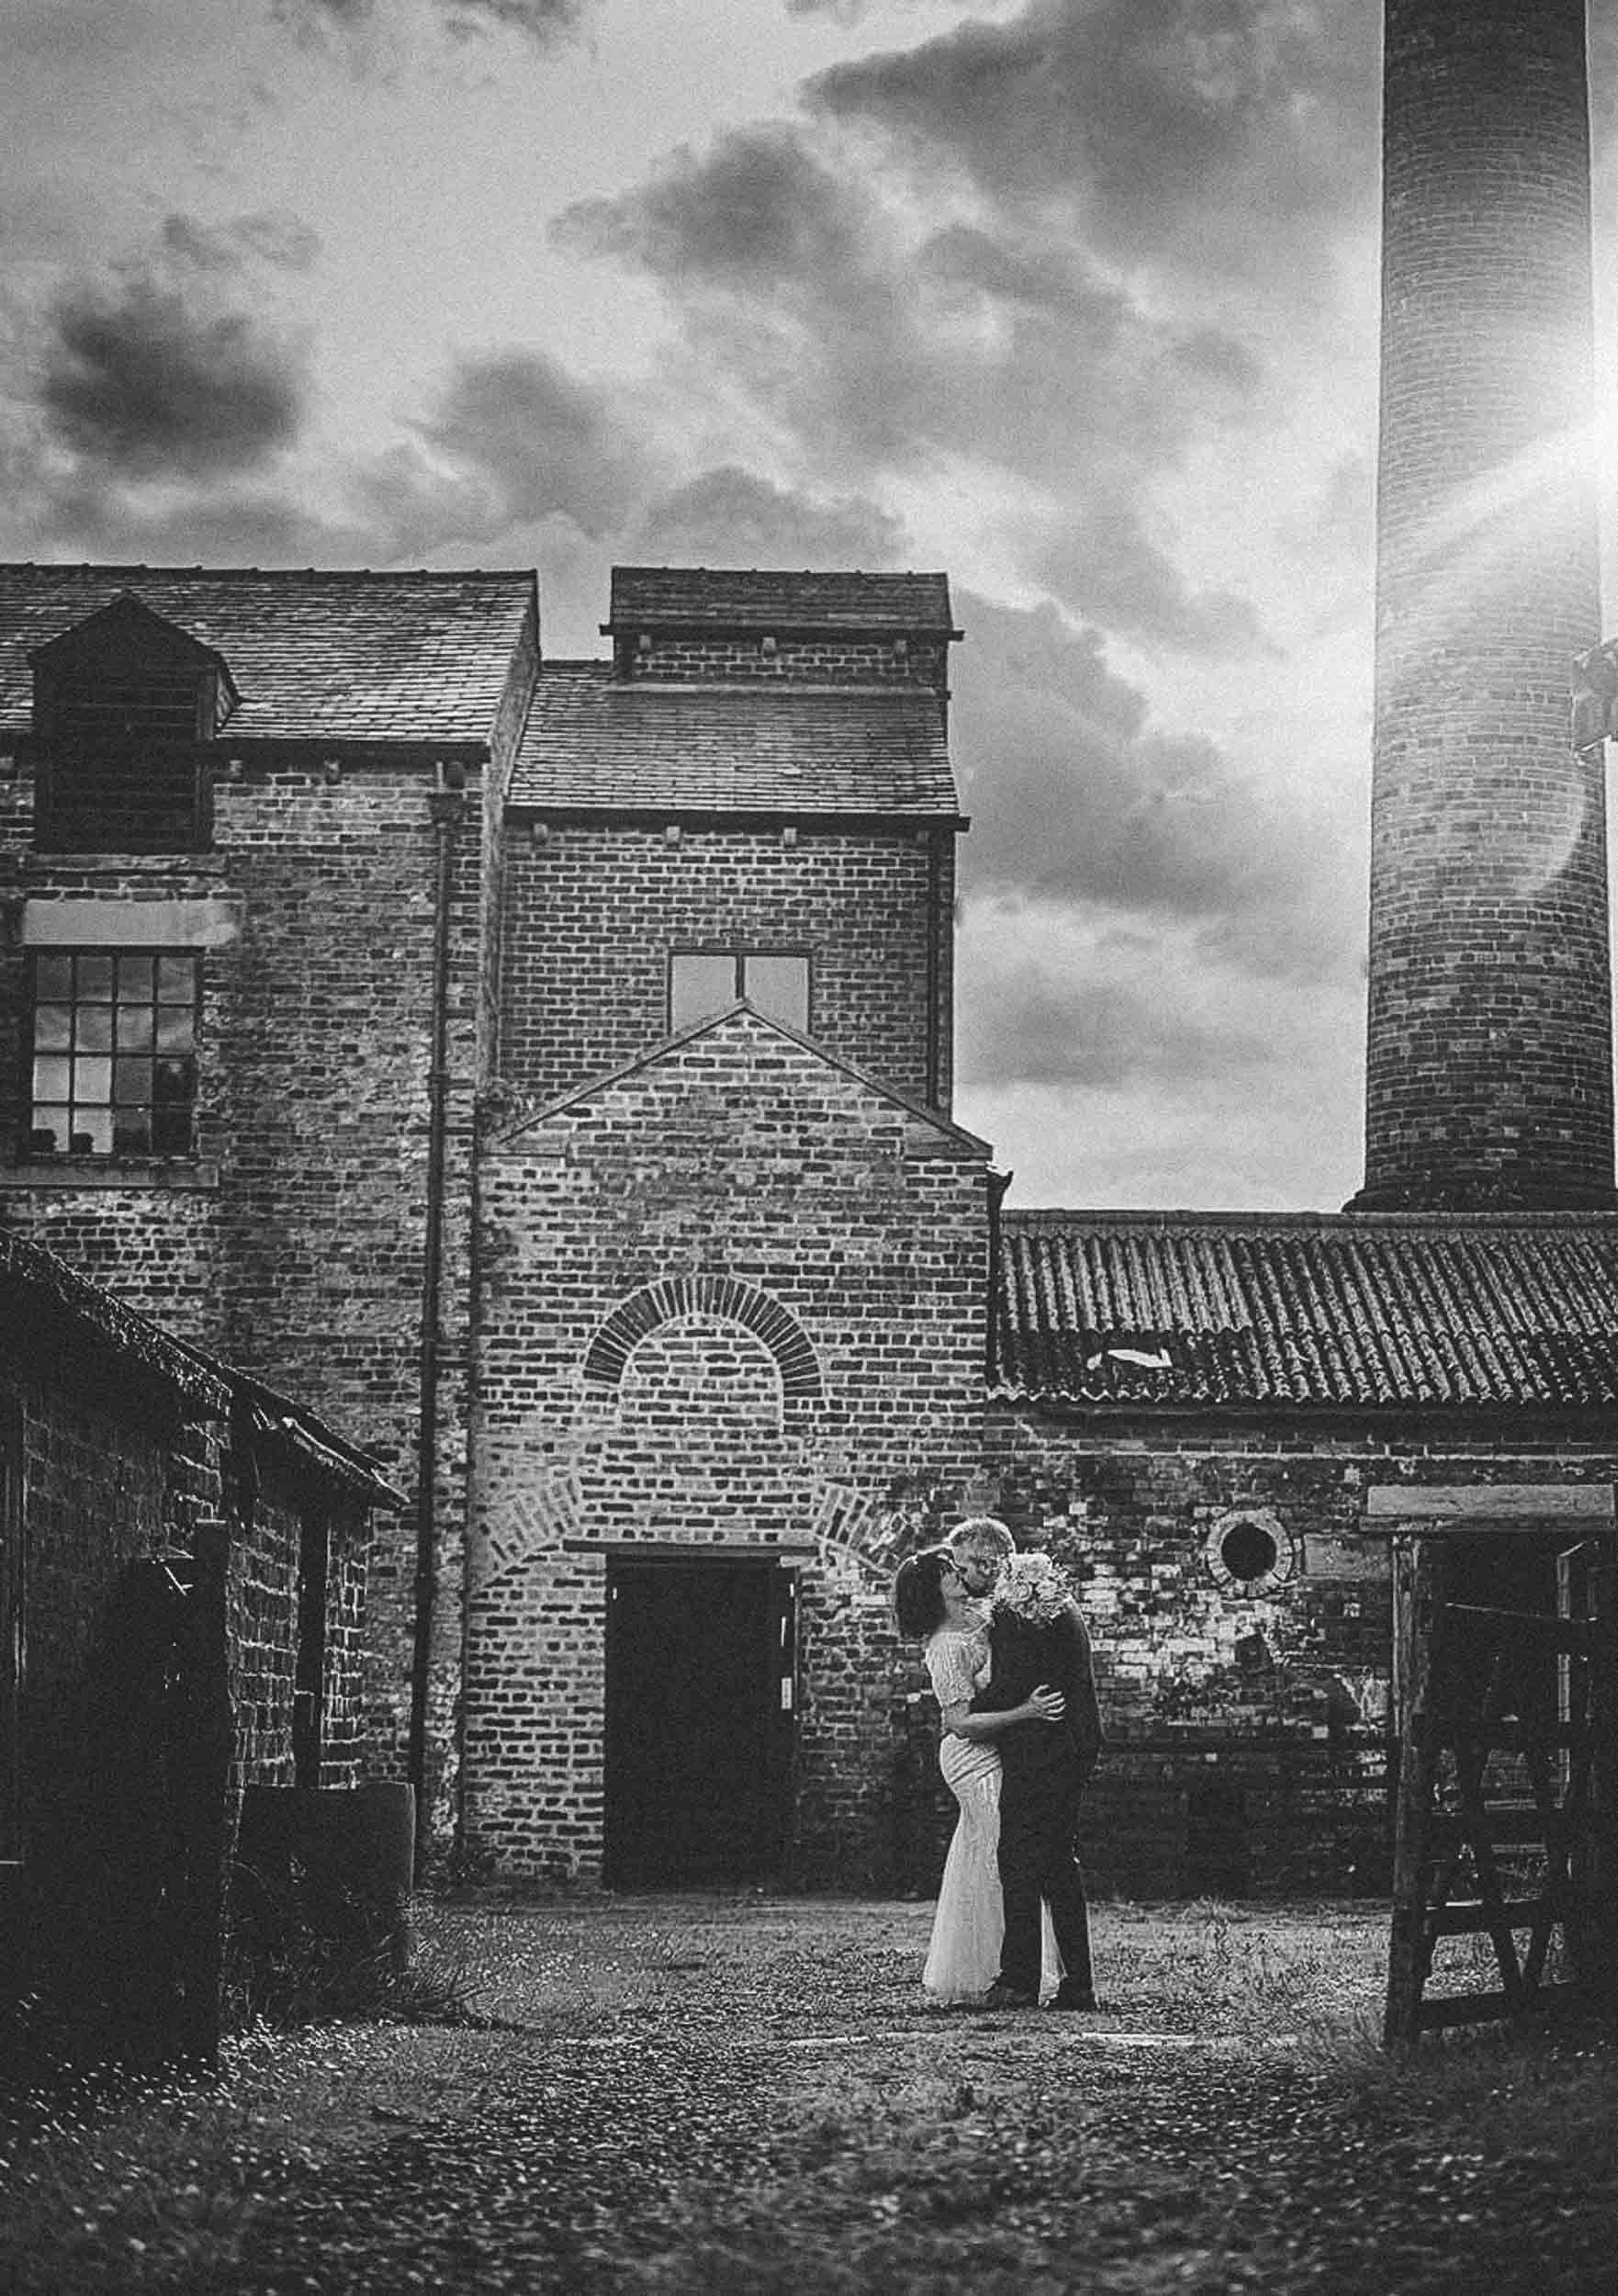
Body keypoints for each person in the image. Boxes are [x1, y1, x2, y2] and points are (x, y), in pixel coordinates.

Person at [892, 1545, 1066, 2004]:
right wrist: (1027, 1712)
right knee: (996, 1850)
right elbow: (961, 1723)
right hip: (971, 1757)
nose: (956, 1572)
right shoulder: (946, 1646)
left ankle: (1012, 1965)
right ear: (935, 1589)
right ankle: (995, 1968)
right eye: (947, 1571)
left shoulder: (981, 1616)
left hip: (998, 1750)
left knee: (1000, 1850)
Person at [950, 1517, 1105, 2012]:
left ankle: (1018, 1981)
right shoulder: (1048, 1596)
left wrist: (968, 1706)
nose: (960, 1578)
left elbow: (1011, 1685)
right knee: (1058, 1863)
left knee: (1018, 1861)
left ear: (989, 1562)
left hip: (1043, 1752)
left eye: (964, 1567)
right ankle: (1076, 1983)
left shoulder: (1019, 1609)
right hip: (1071, 1746)